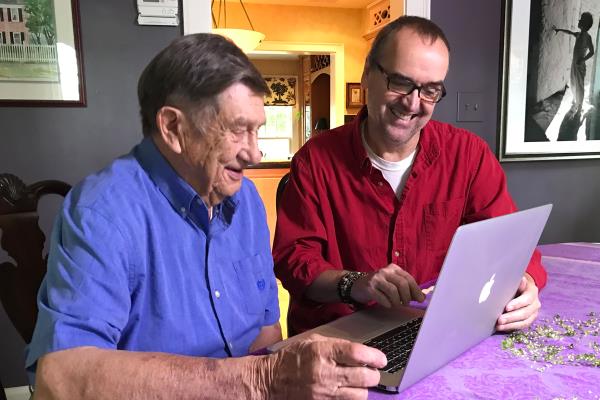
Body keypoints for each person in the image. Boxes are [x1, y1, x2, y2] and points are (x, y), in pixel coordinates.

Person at [25, 33, 387, 399]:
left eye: (257, 130)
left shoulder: (245, 199)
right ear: (173, 128)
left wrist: (276, 380)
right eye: (237, 130)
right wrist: (261, 380)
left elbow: (265, 331)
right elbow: (59, 378)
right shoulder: (101, 212)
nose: (255, 154)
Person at [273, 16, 547, 336]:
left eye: (430, 90)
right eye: (401, 83)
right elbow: (295, 263)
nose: (413, 103)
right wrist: (356, 283)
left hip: (433, 333)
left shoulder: (468, 156)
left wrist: (524, 283)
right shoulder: (315, 160)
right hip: (336, 339)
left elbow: (509, 244)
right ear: (367, 75)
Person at [554, 12, 595, 113]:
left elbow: (592, 52)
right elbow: (569, 32)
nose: (579, 21)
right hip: (574, 64)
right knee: (573, 81)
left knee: (579, 85)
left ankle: (580, 105)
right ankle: (576, 99)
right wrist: (559, 30)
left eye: (581, 20)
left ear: (585, 24)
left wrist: (583, 60)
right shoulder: (578, 34)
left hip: (580, 65)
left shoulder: (587, 37)